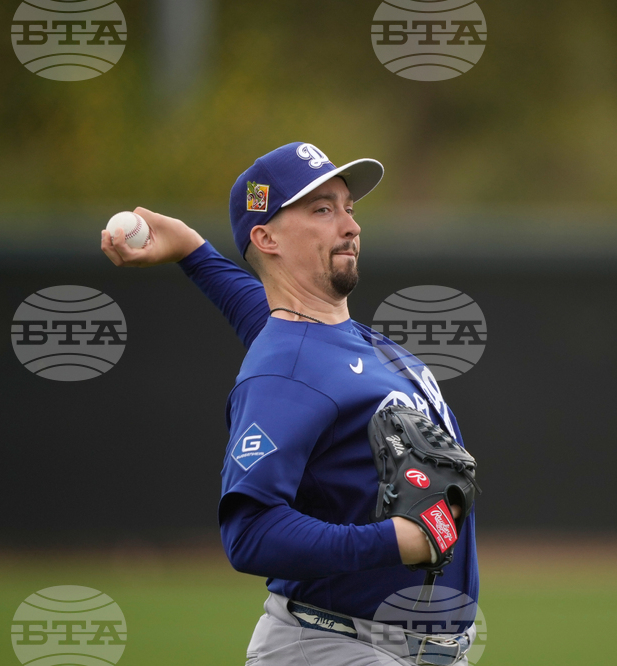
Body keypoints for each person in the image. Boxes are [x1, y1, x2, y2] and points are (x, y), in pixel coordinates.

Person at [101, 142, 479, 665]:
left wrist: (193, 251)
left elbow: (262, 307)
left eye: (349, 207)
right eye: (322, 209)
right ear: (266, 237)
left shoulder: (328, 337)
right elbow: (250, 533)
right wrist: (397, 540)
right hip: (338, 647)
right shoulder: (285, 371)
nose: (350, 226)